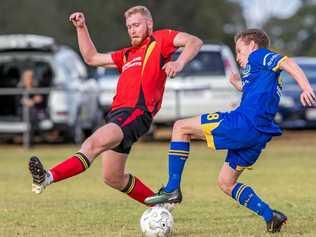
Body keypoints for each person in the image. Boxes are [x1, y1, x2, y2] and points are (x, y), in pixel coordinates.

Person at [28, 5, 203, 207]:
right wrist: (81, 28)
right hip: (117, 116)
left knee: (93, 144)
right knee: (113, 177)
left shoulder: (160, 40)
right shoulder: (126, 54)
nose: (132, 30)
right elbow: (91, 58)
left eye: (136, 25)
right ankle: (160, 206)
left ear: (149, 24)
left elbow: (194, 41)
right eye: (129, 26)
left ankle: (47, 177)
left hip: (136, 113)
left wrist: (179, 63)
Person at [144, 28, 316, 232]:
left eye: (239, 51)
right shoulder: (262, 72)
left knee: (180, 127)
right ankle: (271, 216)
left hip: (243, 123)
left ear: (252, 46)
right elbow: (255, 90)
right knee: (226, 182)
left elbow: (287, 62)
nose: (238, 57)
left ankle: (172, 188)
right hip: (259, 135)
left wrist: (306, 87)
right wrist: (238, 85)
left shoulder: (259, 55)